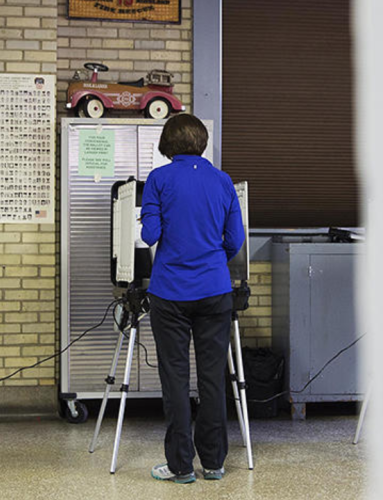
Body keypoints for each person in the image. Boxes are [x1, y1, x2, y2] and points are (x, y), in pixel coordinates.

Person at [140, 114, 245, 484]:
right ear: (201, 142)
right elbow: (235, 240)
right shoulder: (222, 180)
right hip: (215, 292)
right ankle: (214, 463)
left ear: (168, 143)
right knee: (213, 379)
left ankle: (181, 467)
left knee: (175, 379)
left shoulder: (159, 179)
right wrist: (211, 258)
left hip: (170, 294)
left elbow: (150, 235)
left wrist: (153, 218)